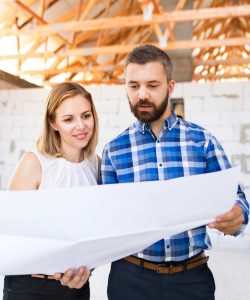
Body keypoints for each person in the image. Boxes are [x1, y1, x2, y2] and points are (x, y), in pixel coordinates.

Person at [100, 45, 249, 300]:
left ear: (170, 87)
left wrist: (236, 215)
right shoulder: (114, 151)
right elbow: (105, 219)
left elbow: (238, 200)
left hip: (191, 280)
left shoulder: (202, 141)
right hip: (130, 279)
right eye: (133, 86)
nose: (142, 94)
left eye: (152, 85)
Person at [3, 82, 100, 300]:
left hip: (78, 286)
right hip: (32, 286)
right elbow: (10, 232)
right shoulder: (34, 163)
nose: (81, 126)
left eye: (86, 115)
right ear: (53, 123)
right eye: (68, 119)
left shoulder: (96, 164)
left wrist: (85, 270)